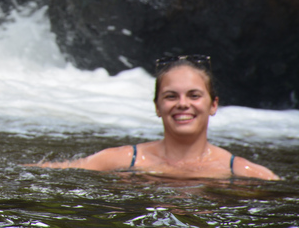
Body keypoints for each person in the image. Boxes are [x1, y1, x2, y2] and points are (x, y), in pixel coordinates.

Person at [27, 55, 280, 180]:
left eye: (194, 95)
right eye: (171, 96)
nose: (183, 104)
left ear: (213, 105)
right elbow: (54, 173)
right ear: (157, 106)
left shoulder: (245, 173)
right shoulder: (121, 159)